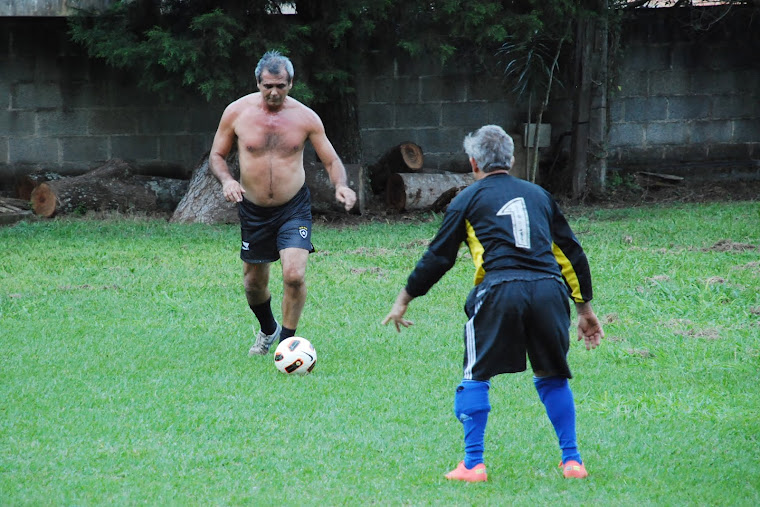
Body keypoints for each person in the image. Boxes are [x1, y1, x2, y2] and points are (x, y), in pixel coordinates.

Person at [382, 125, 604, 482]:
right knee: (552, 374)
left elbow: (439, 256)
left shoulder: (466, 199)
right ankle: (573, 462)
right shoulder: (540, 195)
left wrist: (405, 297)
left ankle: (473, 464)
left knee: (475, 376)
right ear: (512, 160)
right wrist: (585, 311)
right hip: (549, 290)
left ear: (473, 163)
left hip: (500, 289)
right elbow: (570, 253)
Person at [210, 50, 356, 356]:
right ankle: (267, 329)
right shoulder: (237, 113)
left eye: (281, 85)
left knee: (294, 274)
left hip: (293, 208)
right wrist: (228, 181)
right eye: (267, 86)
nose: (274, 92)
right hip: (253, 209)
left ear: (291, 84)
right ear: (258, 83)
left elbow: (330, 159)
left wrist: (341, 185)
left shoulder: (305, 118)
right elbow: (217, 156)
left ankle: (288, 344)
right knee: (253, 284)